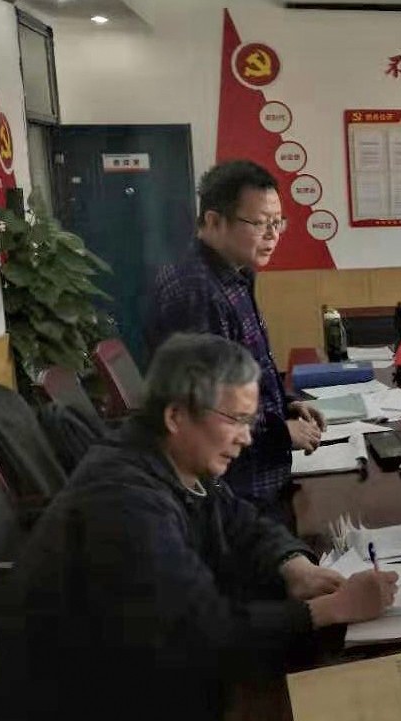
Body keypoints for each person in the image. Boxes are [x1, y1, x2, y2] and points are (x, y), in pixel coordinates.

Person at [0, 334, 398, 721]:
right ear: (176, 416)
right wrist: (326, 611)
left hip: (136, 682)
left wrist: (294, 565)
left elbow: (240, 520)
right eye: (236, 420)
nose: (247, 438)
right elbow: (206, 635)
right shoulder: (125, 502)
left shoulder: (166, 456)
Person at [146, 160, 324, 520]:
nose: (272, 235)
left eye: (278, 223)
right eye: (259, 223)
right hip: (233, 495)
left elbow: (247, 373)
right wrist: (281, 432)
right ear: (214, 221)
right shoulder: (196, 290)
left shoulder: (235, 275)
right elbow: (206, 407)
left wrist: (285, 405)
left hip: (259, 479)